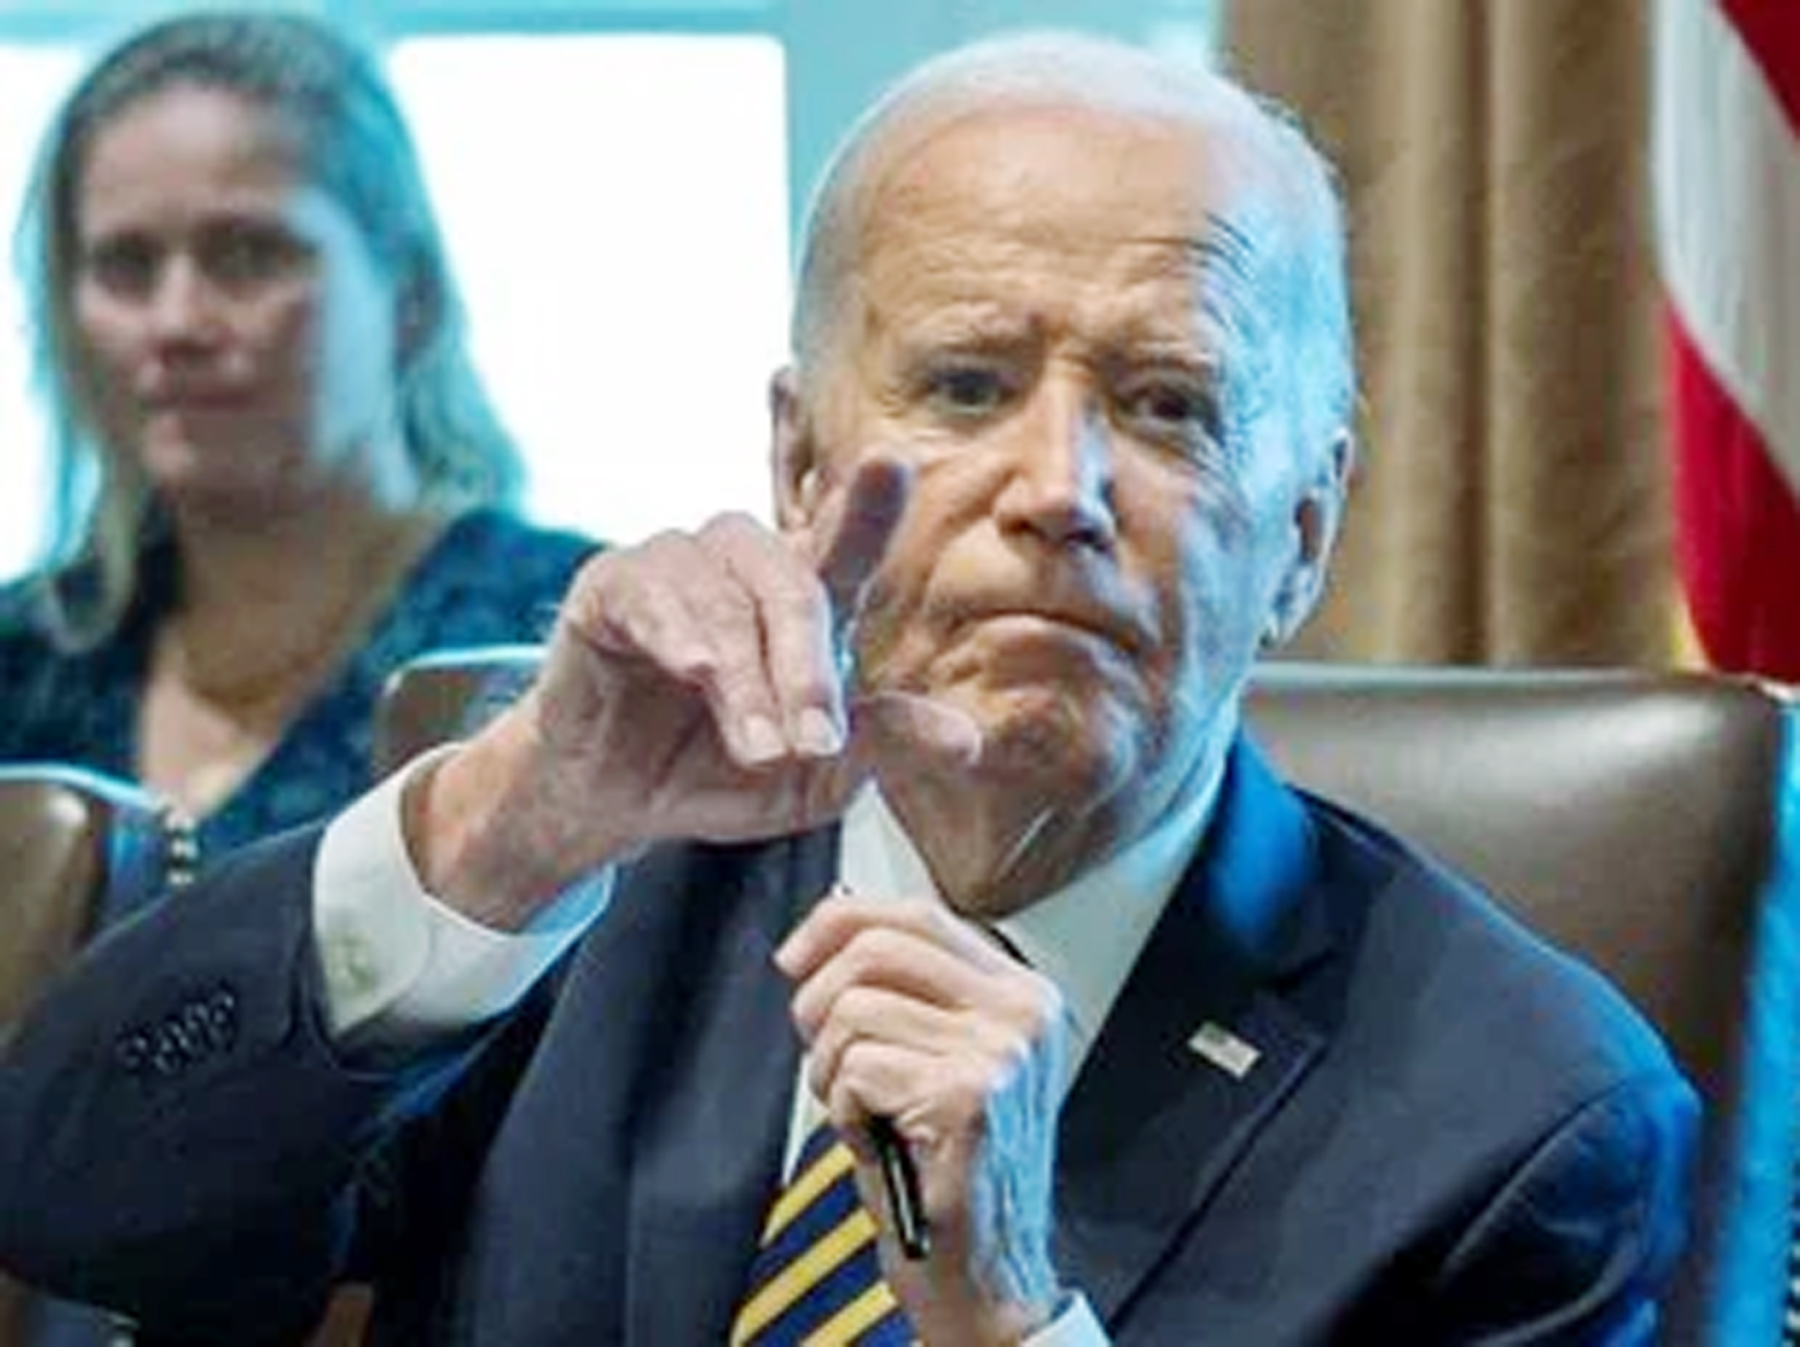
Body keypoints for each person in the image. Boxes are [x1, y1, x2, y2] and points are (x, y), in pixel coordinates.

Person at [0, 30, 1694, 1345]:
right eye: (966, 384)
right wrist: (496, 824)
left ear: (1305, 532)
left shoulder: (1526, 1118)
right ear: (799, 459)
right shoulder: (582, 885)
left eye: (1170, 403)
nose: (1058, 488)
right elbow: (78, 1204)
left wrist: (1010, 1313)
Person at [0, 9, 596, 868]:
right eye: (126, 266)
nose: (177, 322)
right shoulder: (30, 664)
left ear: (409, 295)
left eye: (246, 255)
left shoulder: (565, 638)